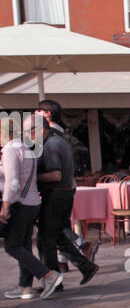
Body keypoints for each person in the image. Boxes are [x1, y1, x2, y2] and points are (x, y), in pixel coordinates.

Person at [22, 106, 99, 292]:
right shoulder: (57, 141)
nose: (26, 136)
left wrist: (31, 176)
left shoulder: (51, 145)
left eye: (28, 132)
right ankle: (85, 267)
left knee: (45, 239)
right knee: (55, 235)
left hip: (57, 194)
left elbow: (55, 175)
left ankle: (54, 280)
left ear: (39, 129)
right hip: (63, 193)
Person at [0, 117, 62, 300]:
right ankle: (24, 285)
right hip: (32, 202)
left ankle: (48, 276)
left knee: (12, 246)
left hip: (21, 203)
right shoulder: (25, 147)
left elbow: (13, 181)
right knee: (23, 244)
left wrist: (5, 205)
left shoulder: (11, 149)